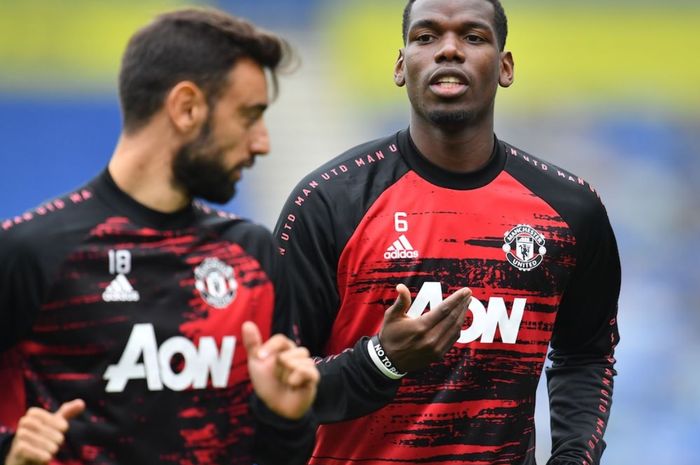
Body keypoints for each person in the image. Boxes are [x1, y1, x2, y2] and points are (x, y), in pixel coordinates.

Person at [273, 0, 622, 464]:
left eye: (473, 37)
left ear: (504, 67)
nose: (449, 50)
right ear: (401, 66)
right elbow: (274, 385)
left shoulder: (570, 210)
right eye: (426, 37)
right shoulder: (327, 203)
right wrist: (382, 359)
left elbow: (586, 355)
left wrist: (573, 458)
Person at [0, 9, 321, 465]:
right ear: (186, 107)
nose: (262, 142)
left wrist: (286, 421)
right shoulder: (29, 252)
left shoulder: (252, 255)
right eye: (249, 116)